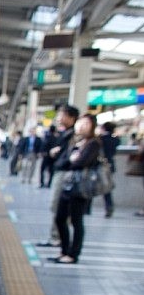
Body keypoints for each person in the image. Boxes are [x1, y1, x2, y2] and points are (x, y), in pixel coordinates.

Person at [50, 113, 103, 264]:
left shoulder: (94, 143)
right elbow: (62, 162)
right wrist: (71, 159)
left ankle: (73, 254)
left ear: (92, 126)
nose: (82, 126)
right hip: (68, 185)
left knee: (76, 221)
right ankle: (64, 251)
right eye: (81, 122)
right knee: (60, 218)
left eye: (86, 123)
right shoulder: (76, 142)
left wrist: (72, 160)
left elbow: (81, 162)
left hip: (81, 188)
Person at [37, 105, 80, 247]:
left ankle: (57, 237)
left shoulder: (72, 135)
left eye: (62, 115)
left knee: (58, 207)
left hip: (65, 174)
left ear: (71, 117)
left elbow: (70, 156)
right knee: (56, 207)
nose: (59, 118)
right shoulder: (66, 133)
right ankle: (57, 236)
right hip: (60, 172)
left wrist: (57, 152)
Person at [99, 121, 119, 217]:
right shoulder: (116, 139)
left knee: (90, 184)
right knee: (107, 188)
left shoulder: (101, 138)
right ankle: (109, 206)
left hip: (99, 165)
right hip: (110, 165)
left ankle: (86, 208)